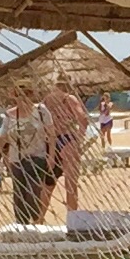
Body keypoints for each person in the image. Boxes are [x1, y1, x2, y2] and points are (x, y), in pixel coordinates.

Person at [3, 85, 54, 224]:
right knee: (19, 195)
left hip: (37, 157)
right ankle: (22, 225)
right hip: (17, 158)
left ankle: (37, 221)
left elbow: (51, 134)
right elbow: (2, 138)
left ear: (31, 94)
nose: (22, 97)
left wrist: (51, 156)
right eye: (18, 94)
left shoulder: (41, 110)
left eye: (26, 94)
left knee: (33, 192)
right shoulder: (10, 114)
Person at [42, 75, 89, 218]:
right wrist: (79, 139)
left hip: (50, 141)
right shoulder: (70, 99)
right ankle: (72, 219)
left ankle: (39, 219)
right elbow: (83, 119)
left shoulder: (47, 100)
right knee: (71, 184)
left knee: (48, 185)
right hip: (68, 138)